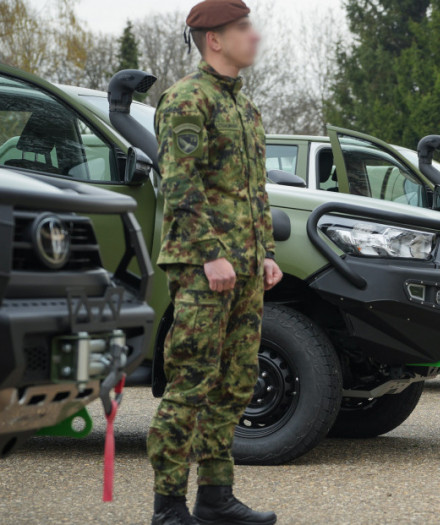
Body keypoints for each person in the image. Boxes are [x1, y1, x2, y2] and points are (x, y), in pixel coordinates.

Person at [147, 1, 282, 523]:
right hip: (206, 267)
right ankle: (167, 506)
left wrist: (266, 253)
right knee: (192, 383)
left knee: (236, 384)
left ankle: (215, 497)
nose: (254, 35)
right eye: (242, 27)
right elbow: (179, 185)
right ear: (214, 40)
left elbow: (256, 192)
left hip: (245, 268)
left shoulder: (245, 110)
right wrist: (210, 256)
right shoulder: (187, 99)